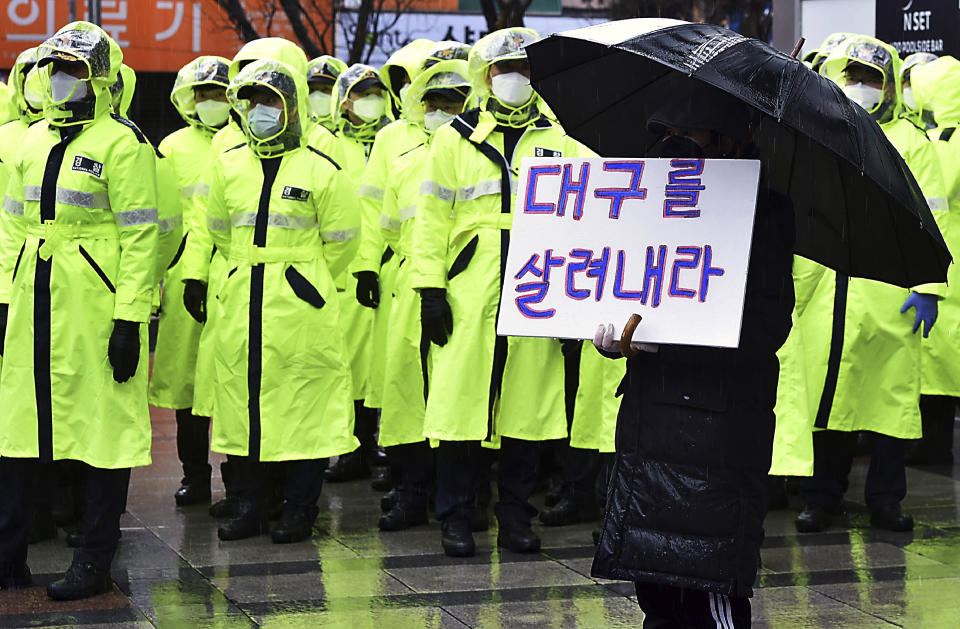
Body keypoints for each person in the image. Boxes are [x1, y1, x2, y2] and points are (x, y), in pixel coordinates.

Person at [591, 81, 795, 626]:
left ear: (725, 138)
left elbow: (766, 329)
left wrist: (674, 336)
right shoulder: (644, 206)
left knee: (709, 601)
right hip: (648, 429)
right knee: (656, 601)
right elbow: (618, 289)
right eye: (667, 133)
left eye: (689, 133)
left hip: (718, 440)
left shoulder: (766, 213)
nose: (675, 144)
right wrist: (614, 337)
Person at [412, 27, 590, 557]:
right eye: (502, 68)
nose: (514, 77)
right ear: (483, 76)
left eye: (525, 68)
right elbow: (430, 219)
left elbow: (582, 222)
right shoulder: (455, 136)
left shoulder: (560, 137)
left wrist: (573, 303)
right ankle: (456, 515)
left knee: (526, 407)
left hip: (537, 285)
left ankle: (515, 516)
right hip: (471, 287)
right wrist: (429, 289)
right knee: (463, 404)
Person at [0, 21, 159, 600]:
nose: (60, 80)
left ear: (99, 80)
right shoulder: (32, 140)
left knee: (102, 430)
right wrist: (3, 298)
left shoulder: (124, 143)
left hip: (93, 305)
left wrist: (129, 318)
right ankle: (8, 555)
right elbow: (12, 226)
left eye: (74, 71)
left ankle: (95, 558)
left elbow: (142, 237)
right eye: (55, 69)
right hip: (33, 298)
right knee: (19, 426)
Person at [788, 35, 946, 534]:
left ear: (890, 84)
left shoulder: (913, 143)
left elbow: (931, 221)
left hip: (889, 290)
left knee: (890, 403)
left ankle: (886, 500)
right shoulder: (821, 131)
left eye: (871, 78)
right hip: (826, 290)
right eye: (852, 76)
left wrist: (927, 287)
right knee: (827, 400)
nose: (860, 87)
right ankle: (822, 498)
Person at [203, 57, 360, 543]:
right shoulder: (229, 167)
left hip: (299, 307)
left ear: (291, 107)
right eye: (250, 102)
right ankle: (249, 505)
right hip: (242, 299)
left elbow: (344, 241)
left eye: (270, 101)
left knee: (304, 407)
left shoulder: (321, 169)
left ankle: (299, 510)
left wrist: (301, 281)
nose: (259, 111)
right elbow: (218, 231)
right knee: (241, 403)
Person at [376, 59, 472, 531]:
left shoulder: (477, 152)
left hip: (466, 284)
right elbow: (383, 220)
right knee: (406, 394)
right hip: (409, 285)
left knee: (457, 397)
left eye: (452, 104)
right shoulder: (401, 153)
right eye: (433, 104)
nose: (441, 112)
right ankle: (411, 492)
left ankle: (458, 499)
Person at [151, 56, 232, 507]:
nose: (212, 102)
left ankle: (240, 480)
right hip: (185, 278)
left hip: (234, 272)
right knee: (186, 383)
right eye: (203, 95)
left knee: (236, 377)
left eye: (220, 94)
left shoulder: (245, 144)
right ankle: (195, 477)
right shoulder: (172, 148)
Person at [323, 63, 393, 484]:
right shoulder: (329, 145)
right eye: (363, 92)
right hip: (343, 270)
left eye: (376, 92)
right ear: (344, 101)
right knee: (348, 362)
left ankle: (385, 446)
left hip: (387, 266)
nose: (372, 100)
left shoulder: (393, 140)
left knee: (384, 362)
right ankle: (353, 447)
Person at [380, 39, 434, 118]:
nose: (405, 89)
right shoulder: (392, 129)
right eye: (402, 83)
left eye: (411, 82)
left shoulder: (453, 127)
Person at [306, 55, 346, 132]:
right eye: (312, 90)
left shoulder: (353, 133)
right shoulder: (298, 131)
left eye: (325, 89)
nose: (317, 96)